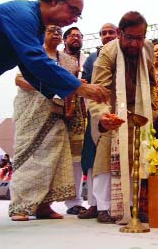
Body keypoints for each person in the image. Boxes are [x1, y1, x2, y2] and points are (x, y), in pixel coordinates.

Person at [0, 0, 109, 239]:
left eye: (78, 15)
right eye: (73, 10)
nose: (74, 18)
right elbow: (35, 60)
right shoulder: (22, 14)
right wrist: (80, 88)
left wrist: (63, 91)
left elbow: (30, 68)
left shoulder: (33, 28)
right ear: (55, 0)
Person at [9, 25, 87, 221]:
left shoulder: (69, 61)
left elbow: (71, 89)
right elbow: (20, 80)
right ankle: (20, 206)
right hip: (31, 113)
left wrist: (69, 110)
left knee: (54, 159)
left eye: (59, 32)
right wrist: (51, 87)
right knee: (29, 158)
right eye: (51, 30)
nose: (55, 34)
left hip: (57, 115)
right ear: (41, 34)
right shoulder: (33, 54)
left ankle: (44, 206)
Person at [88, 11, 155, 224]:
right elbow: (99, 90)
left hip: (139, 109)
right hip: (112, 106)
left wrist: (149, 108)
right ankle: (104, 207)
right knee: (106, 154)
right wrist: (104, 116)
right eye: (130, 38)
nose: (135, 44)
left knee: (140, 153)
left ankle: (135, 204)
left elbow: (151, 81)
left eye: (140, 38)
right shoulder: (107, 53)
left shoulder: (148, 49)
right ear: (119, 33)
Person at [78, 23, 118, 220]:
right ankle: (94, 204)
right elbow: (84, 84)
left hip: (119, 112)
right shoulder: (93, 58)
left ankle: (114, 205)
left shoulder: (123, 53)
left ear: (118, 33)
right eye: (104, 33)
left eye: (111, 32)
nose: (108, 35)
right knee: (94, 157)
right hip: (97, 113)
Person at [62, 26, 88, 216]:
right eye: (72, 36)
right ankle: (40, 202)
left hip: (79, 112)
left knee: (76, 159)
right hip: (56, 110)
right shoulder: (55, 58)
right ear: (64, 40)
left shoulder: (86, 61)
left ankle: (74, 201)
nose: (76, 39)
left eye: (79, 36)